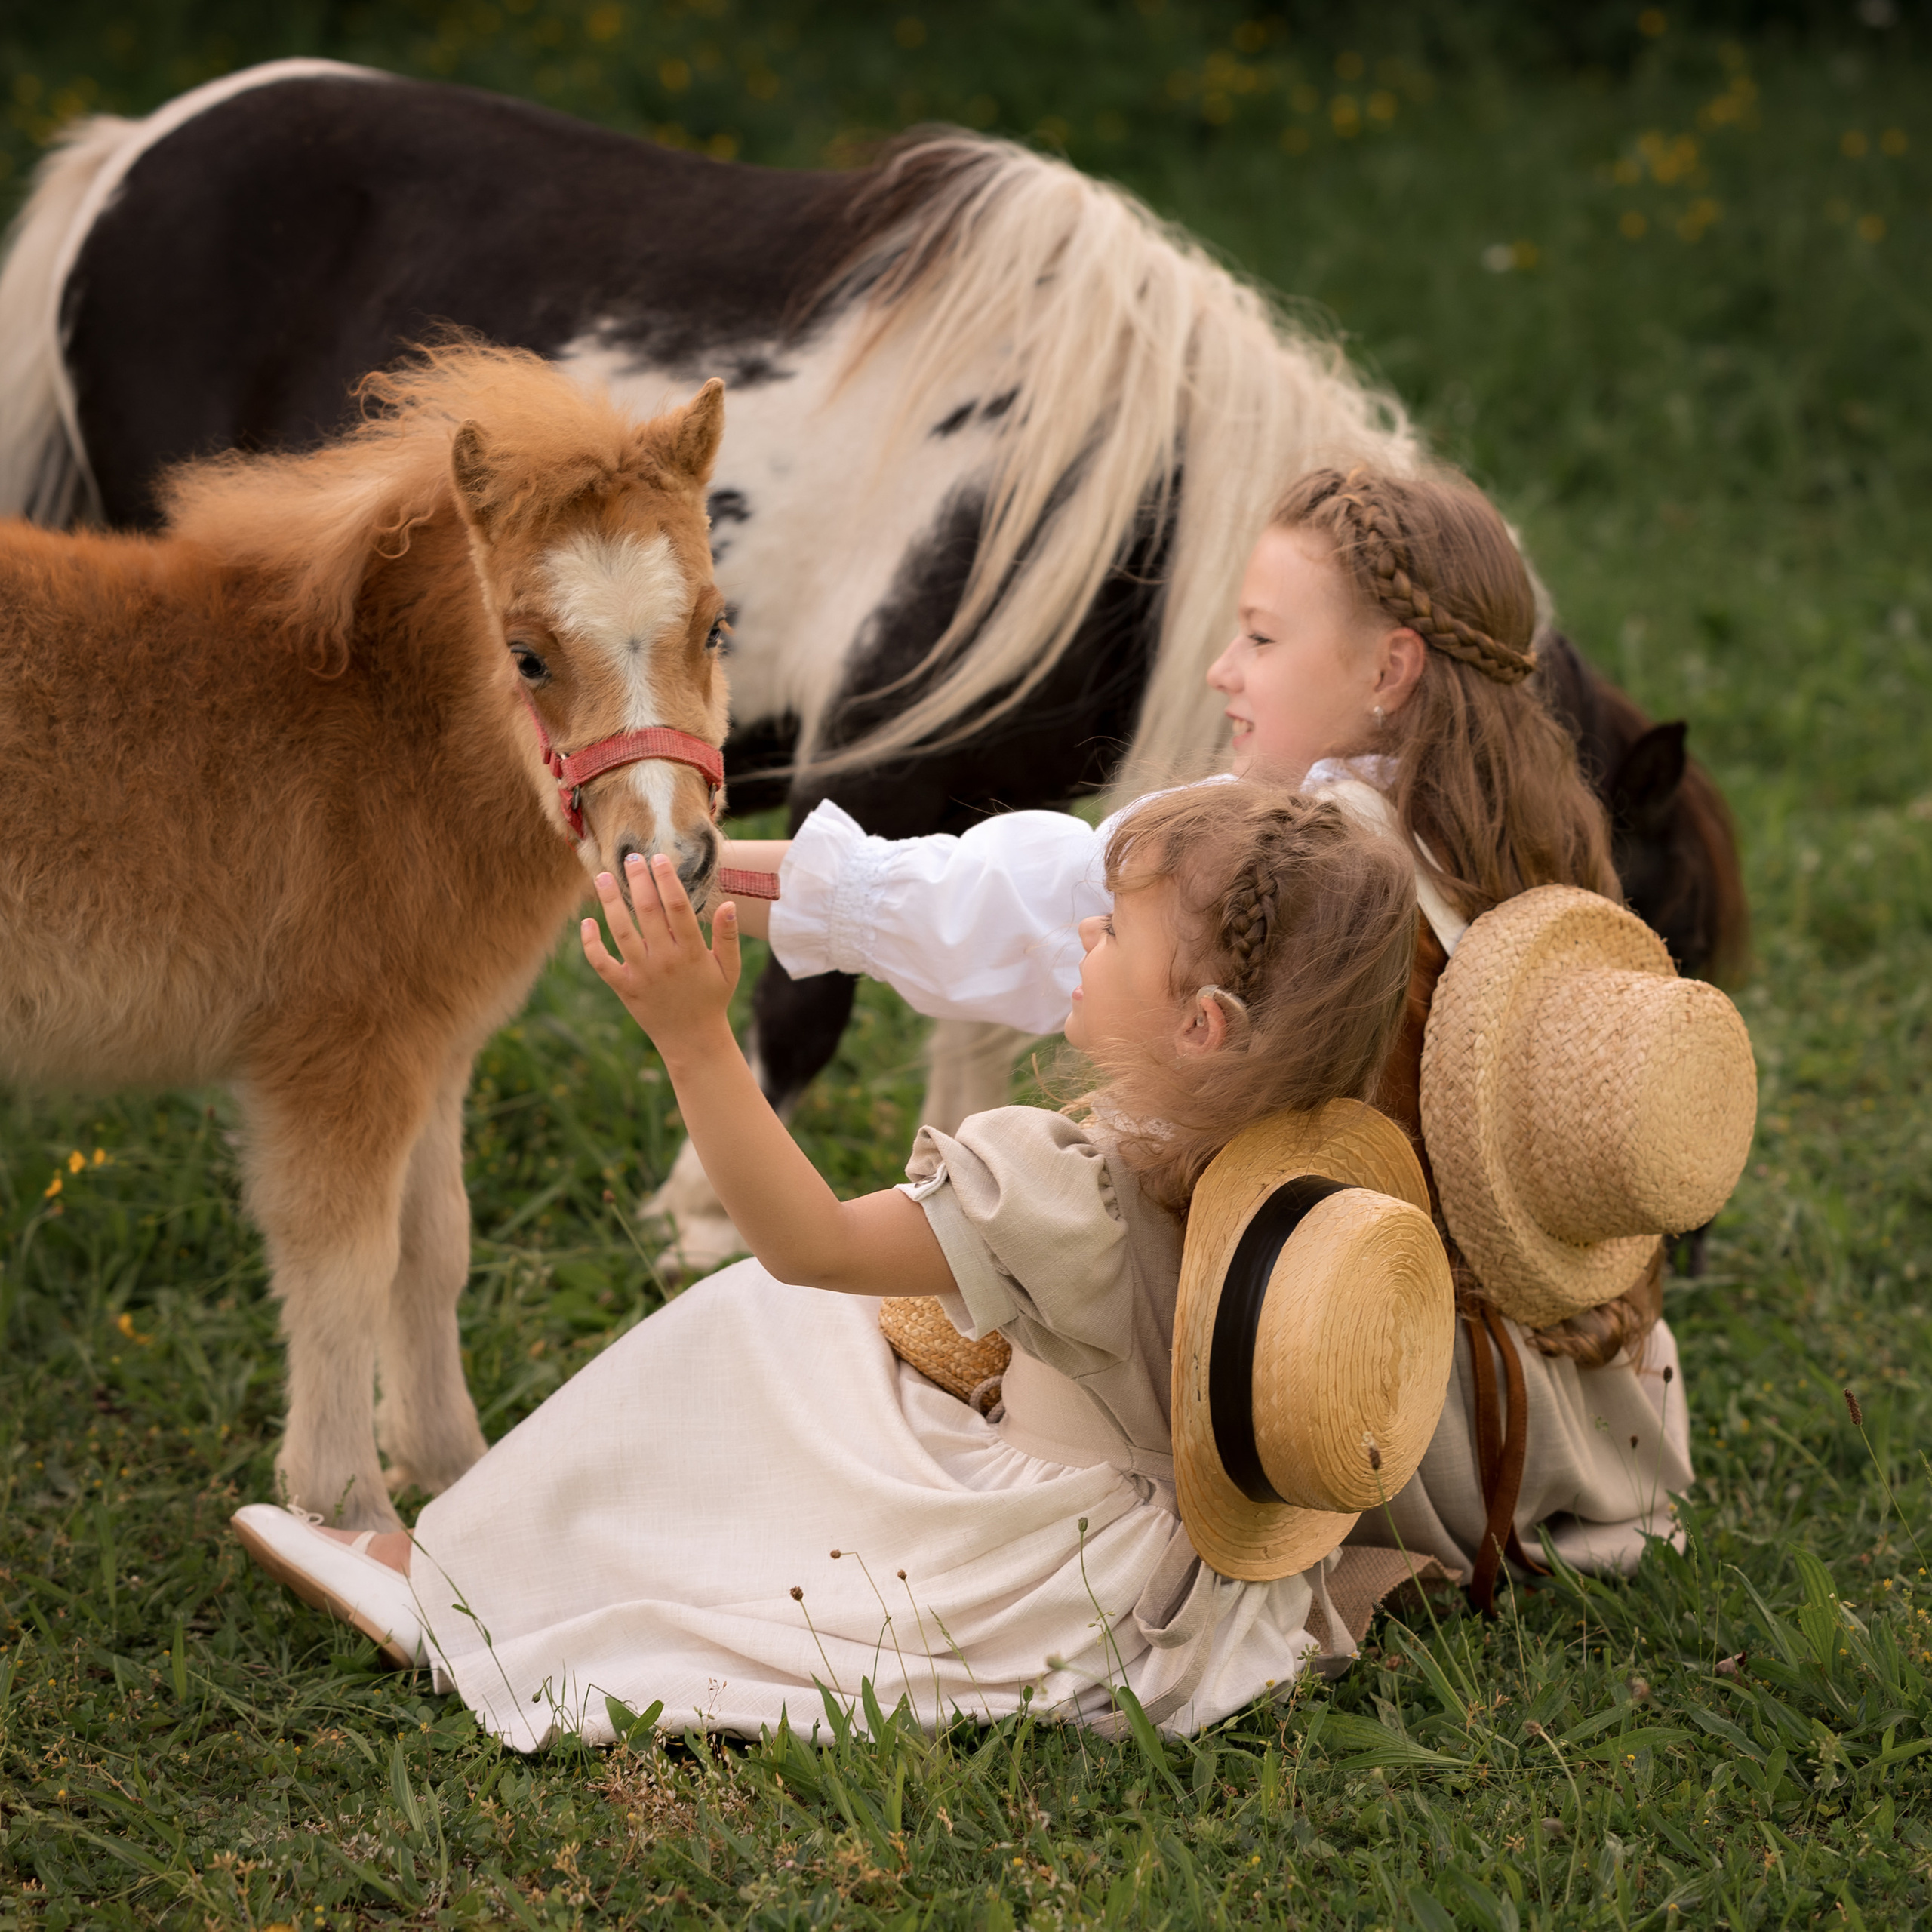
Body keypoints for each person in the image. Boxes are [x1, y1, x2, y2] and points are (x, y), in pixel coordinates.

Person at [234, 780, 1426, 1746]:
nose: (1079, 935)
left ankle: (446, 1580)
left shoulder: (1077, 1186)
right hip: (1188, 1556)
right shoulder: (1307, 1158)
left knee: (758, 1327)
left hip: (1046, 1563)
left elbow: (808, 1246)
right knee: (856, 1353)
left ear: (1200, 1027)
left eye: (1112, 932)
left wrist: (697, 1041)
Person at [722, 465, 1695, 1611]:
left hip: (1325, 1387)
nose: (1221, 670)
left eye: (1262, 638)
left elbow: (1029, 901)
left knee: (786, 1348)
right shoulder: (1522, 835)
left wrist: (722, 876)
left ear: (1391, 671)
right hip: (1529, 1412)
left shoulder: (1307, 866)